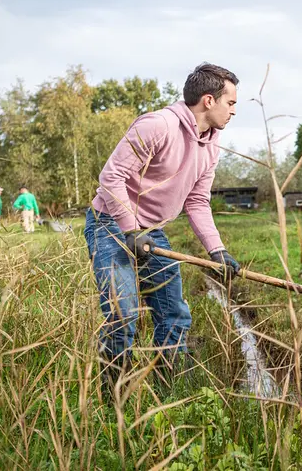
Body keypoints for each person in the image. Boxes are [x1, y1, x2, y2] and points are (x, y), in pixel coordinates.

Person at [84, 62, 241, 390]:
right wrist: (131, 229)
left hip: (151, 230)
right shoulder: (158, 125)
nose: (234, 111)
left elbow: (197, 202)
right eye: (231, 102)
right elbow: (111, 178)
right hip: (111, 224)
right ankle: (114, 399)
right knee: (123, 313)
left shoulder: (211, 145)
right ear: (208, 100)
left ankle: (168, 391)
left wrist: (218, 250)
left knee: (174, 314)